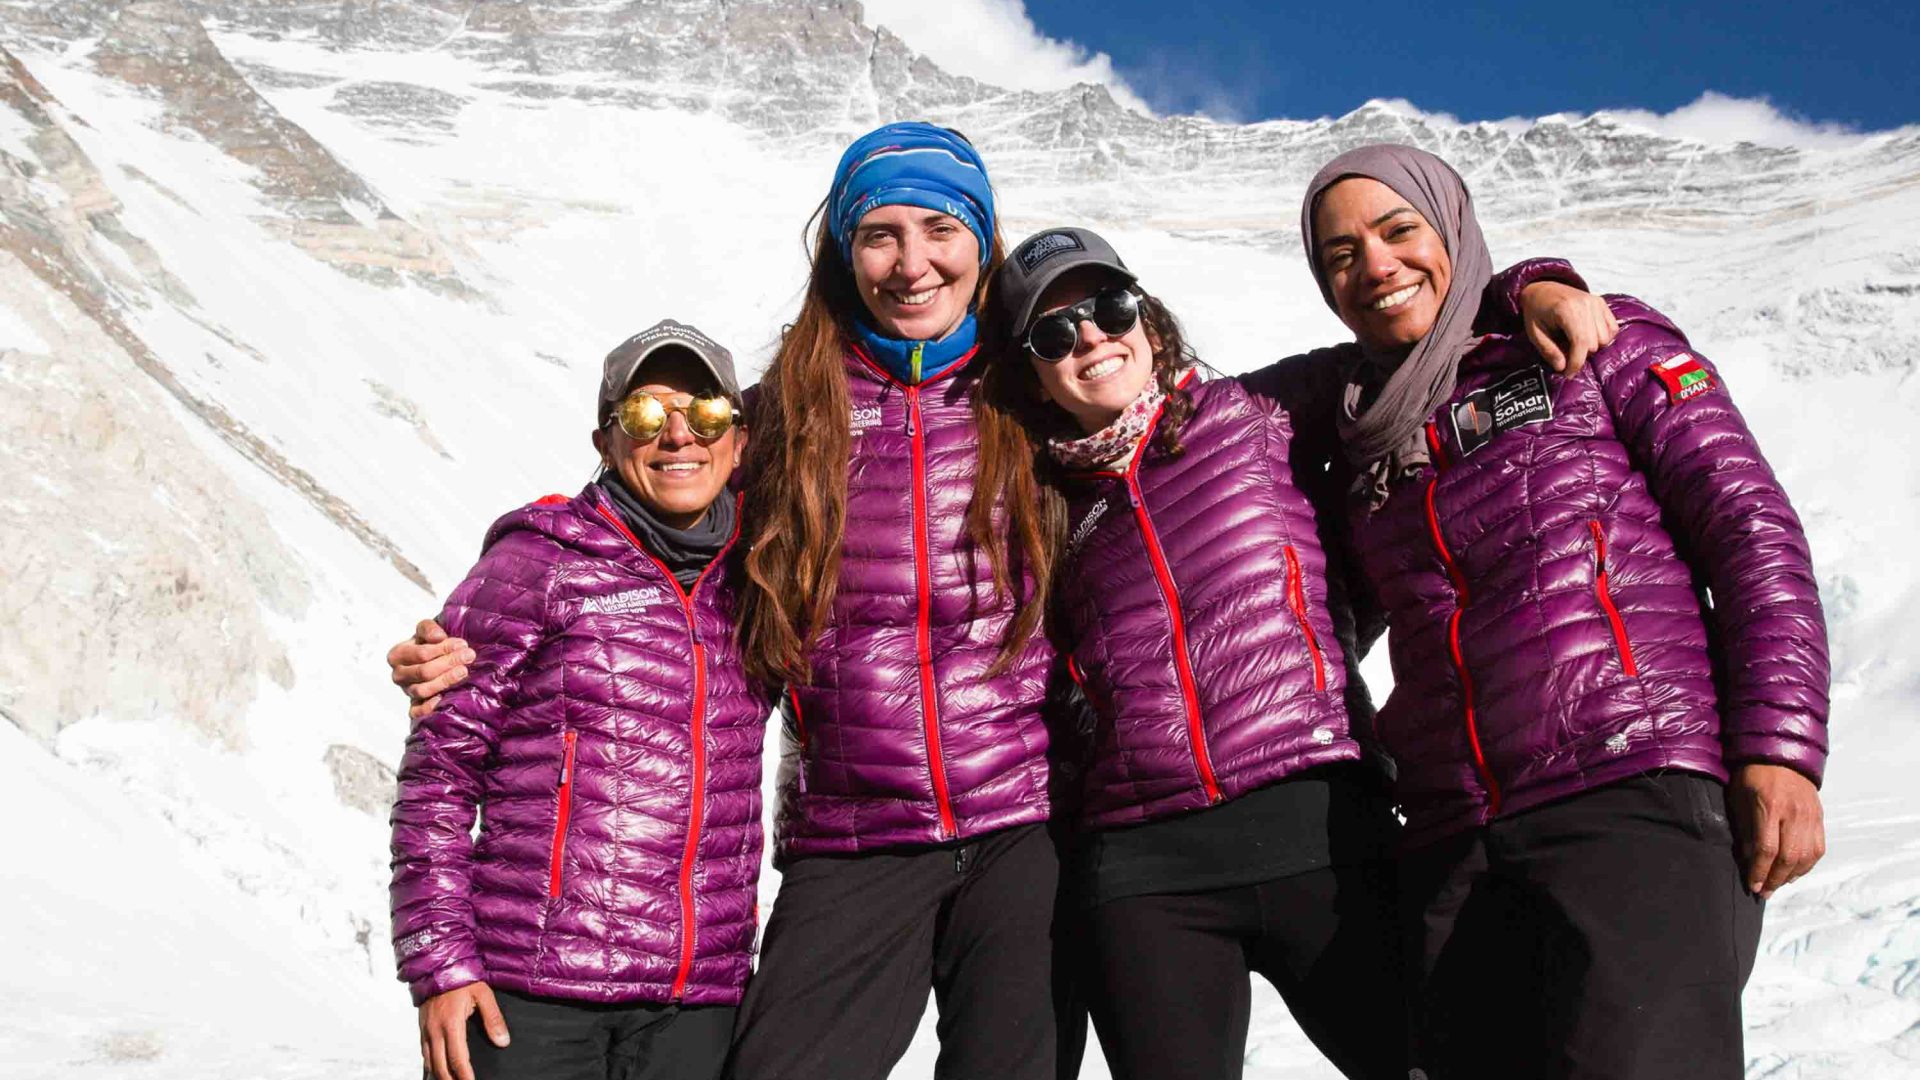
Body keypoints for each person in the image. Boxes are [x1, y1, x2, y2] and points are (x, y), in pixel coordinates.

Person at [391, 123, 1076, 1080]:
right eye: (878, 234)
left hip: (1023, 817)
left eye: (939, 230)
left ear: (983, 241)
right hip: (854, 826)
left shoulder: (1034, 394)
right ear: (842, 251)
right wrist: (477, 618)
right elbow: (654, 497)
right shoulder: (788, 414)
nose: (911, 263)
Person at [973, 227, 1612, 1080]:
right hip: (1142, 872)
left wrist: (1527, 286)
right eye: (1053, 332)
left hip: (1319, 825)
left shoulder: (1259, 412)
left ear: (1147, 317)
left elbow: (1407, 330)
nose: (1089, 337)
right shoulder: (1033, 506)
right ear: (1033, 372)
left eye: (1108, 306)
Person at [1296, 144, 1829, 1079]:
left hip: (1633, 793)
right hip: (1458, 838)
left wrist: (1779, 751)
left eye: (1398, 231)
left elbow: (1749, 530)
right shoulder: (1366, 441)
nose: (1375, 266)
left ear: (1451, 228)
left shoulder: (1593, 340)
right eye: (1341, 255)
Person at [390, 321, 766, 1080]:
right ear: (606, 439)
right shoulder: (537, 560)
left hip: (695, 1003)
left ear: (740, 439)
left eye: (706, 413)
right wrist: (440, 965)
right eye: (647, 415)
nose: (679, 436)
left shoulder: (760, 578)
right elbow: (439, 775)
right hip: (531, 995)